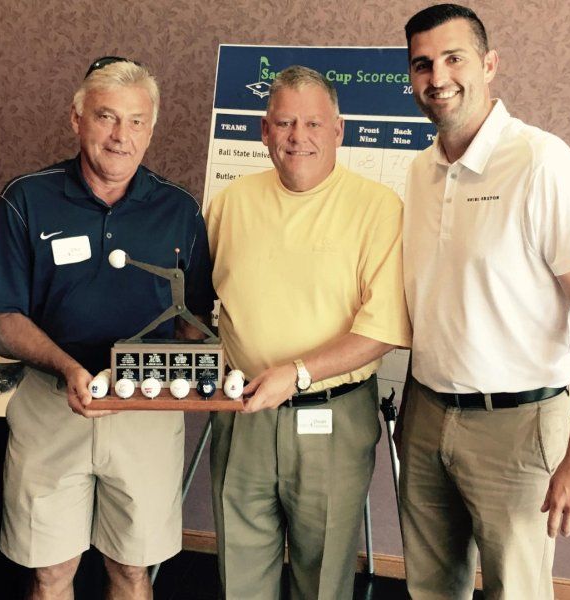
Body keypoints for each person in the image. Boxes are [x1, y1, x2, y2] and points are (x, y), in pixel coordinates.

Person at [0, 57, 214, 600]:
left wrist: (189, 371)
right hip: (51, 406)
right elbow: (4, 315)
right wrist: (67, 367)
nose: (120, 136)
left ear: (151, 129)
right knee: (50, 572)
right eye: (106, 117)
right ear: (76, 119)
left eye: (136, 121)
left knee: (131, 570)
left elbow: (194, 320)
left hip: (146, 412)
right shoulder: (27, 199)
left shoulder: (179, 210)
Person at [398, 4, 570, 599]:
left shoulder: (544, 164)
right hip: (426, 417)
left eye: (454, 58)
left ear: (489, 64)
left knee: (515, 590)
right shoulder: (419, 171)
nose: (438, 77)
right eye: (422, 64)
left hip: (518, 427)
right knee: (429, 589)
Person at [206, 65, 411, 599]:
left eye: (314, 123)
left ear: (338, 130)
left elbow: (383, 330)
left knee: (322, 579)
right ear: (264, 130)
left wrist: (295, 373)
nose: (299, 137)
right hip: (242, 413)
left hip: (333, 417)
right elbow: (197, 307)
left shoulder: (378, 208)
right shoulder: (229, 203)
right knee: (239, 574)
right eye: (285, 123)